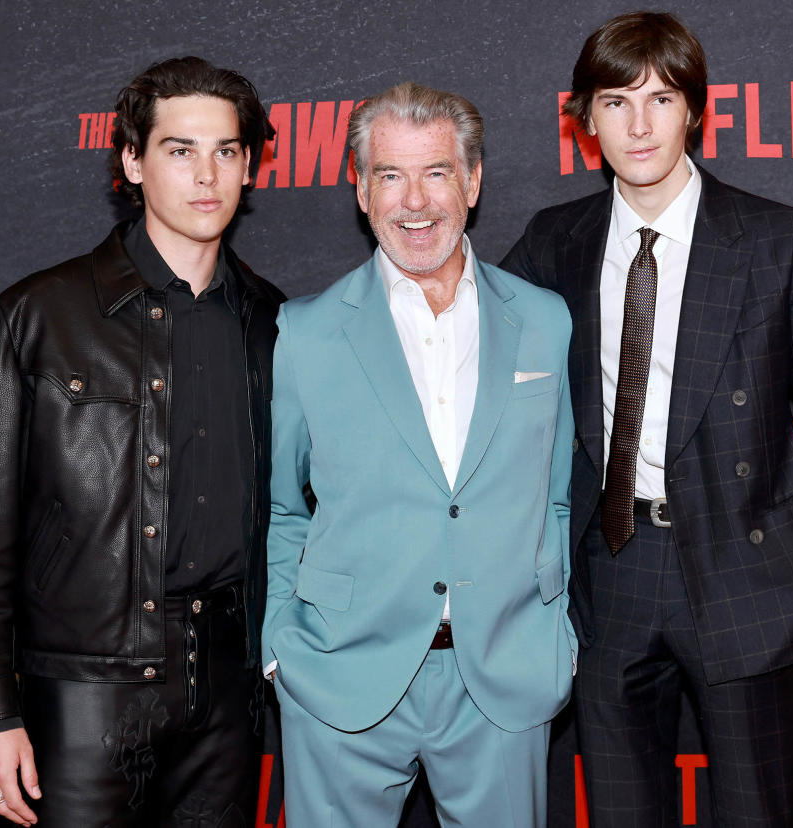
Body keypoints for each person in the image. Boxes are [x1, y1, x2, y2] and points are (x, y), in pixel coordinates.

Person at [501, 12, 793, 827]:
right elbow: (476, 369)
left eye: (661, 99)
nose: (639, 124)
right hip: (611, 572)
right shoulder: (553, 242)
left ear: (695, 111)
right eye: (615, 101)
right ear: (584, 118)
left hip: (745, 574)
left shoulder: (777, 240)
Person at [0, 56, 284, 827]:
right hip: (85, 686)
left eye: (227, 151)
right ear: (131, 161)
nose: (207, 175)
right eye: (179, 150)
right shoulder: (39, 315)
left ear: (250, 166)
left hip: (230, 684)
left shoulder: (272, 321)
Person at [261, 82, 576, 828]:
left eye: (436, 172)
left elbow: (558, 495)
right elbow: (280, 509)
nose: (415, 201)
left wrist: (552, 632)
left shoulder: (541, 320)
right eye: (390, 175)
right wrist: (283, 648)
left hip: (503, 678)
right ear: (361, 190)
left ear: (471, 182)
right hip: (341, 678)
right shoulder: (304, 334)